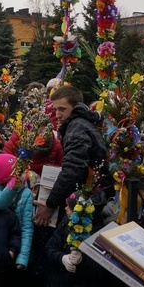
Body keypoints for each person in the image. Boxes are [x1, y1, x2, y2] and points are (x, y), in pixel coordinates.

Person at [33, 86, 106, 226]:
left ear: (76, 107)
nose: (57, 115)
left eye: (62, 109)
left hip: (83, 200)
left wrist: (50, 204)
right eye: (55, 109)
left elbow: (73, 169)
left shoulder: (76, 127)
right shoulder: (82, 124)